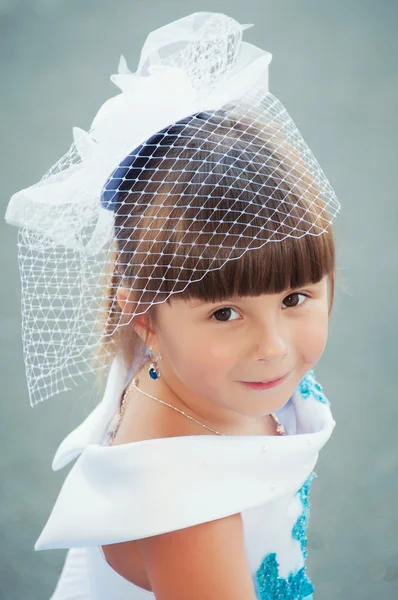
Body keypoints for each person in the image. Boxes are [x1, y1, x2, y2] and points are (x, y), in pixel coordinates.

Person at [5, 12, 341, 600]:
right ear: (144, 316)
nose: (274, 347)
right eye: (224, 313)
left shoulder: (192, 371)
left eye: (294, 298)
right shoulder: (189, 510)